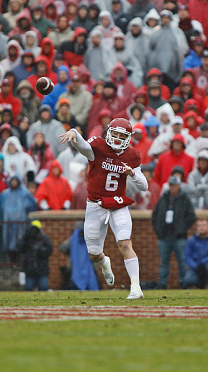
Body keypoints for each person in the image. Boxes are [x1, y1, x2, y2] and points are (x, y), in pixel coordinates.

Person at [58, 118, 149, 299]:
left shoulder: (132, 155)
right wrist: (74, 132)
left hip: (117, 203)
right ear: (108, 132)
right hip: (95, 204)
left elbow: (144, 186)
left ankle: (136, 287)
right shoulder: (98, 147)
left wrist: (132, 174)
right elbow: (83, 146)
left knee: (124, 243)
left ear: (127, 138)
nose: (115, 138)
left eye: (120, 135)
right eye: (113, 133)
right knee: (93, 254)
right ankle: (105, 263)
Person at [151, 176, 197, 289]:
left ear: (179, 186)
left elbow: (192, 217)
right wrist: (159, 230)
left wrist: (182, 228)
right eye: (171, 185)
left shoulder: (184, 199)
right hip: (164, 237)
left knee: (182, 262)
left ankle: (184, 284)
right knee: (164, 263)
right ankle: (162, 285)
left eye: (174, 185)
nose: (172, 187)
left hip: (179, 237)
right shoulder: (163, 198)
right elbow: (155, 215)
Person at [182, 218, 208, 289]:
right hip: (196, 266)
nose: (201, 227)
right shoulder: (192, 239)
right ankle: (201, 285)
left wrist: (202, 263)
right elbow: (187, 257)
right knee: (188, 280)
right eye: (199, 225)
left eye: (204, 225)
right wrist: (196, 266)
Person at [18, 220, 53, 291]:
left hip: (42, 268)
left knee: (43, 288)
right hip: (29, 269)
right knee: (28, 288)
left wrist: (40, 250)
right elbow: (19, 247)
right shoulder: (26, 238)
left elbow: (49, 250)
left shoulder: (44, 238)